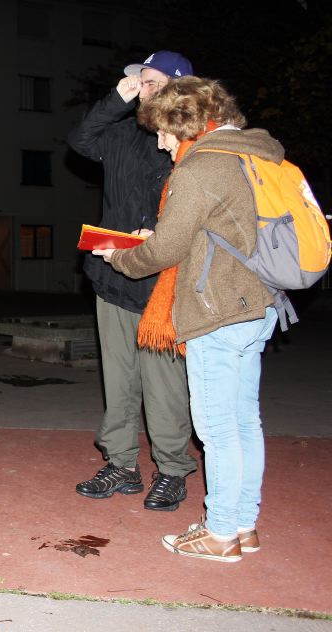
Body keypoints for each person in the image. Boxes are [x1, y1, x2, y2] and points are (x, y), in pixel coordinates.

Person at [94, 76, 279, 562]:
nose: (157, 142)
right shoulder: (252, 155)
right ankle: (243, 524)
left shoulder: (200, 169)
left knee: (217, 430)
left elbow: (167, 248)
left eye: (161, 131)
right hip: (255, 305)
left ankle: (220, 533)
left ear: (184, 125)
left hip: (216, 310)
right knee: (244, 424)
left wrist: (121, 256)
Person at [67, 51, 197, 511]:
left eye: (154, 80)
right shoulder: (119, 133)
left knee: (163, 384)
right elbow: (80, 139)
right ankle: (121, 464)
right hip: (111, 277)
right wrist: (114, 100)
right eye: (140, 81)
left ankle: (173, 469)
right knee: (119, 380)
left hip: (162, 281)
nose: (144, 86)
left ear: (181, 87)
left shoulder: (190, 143)